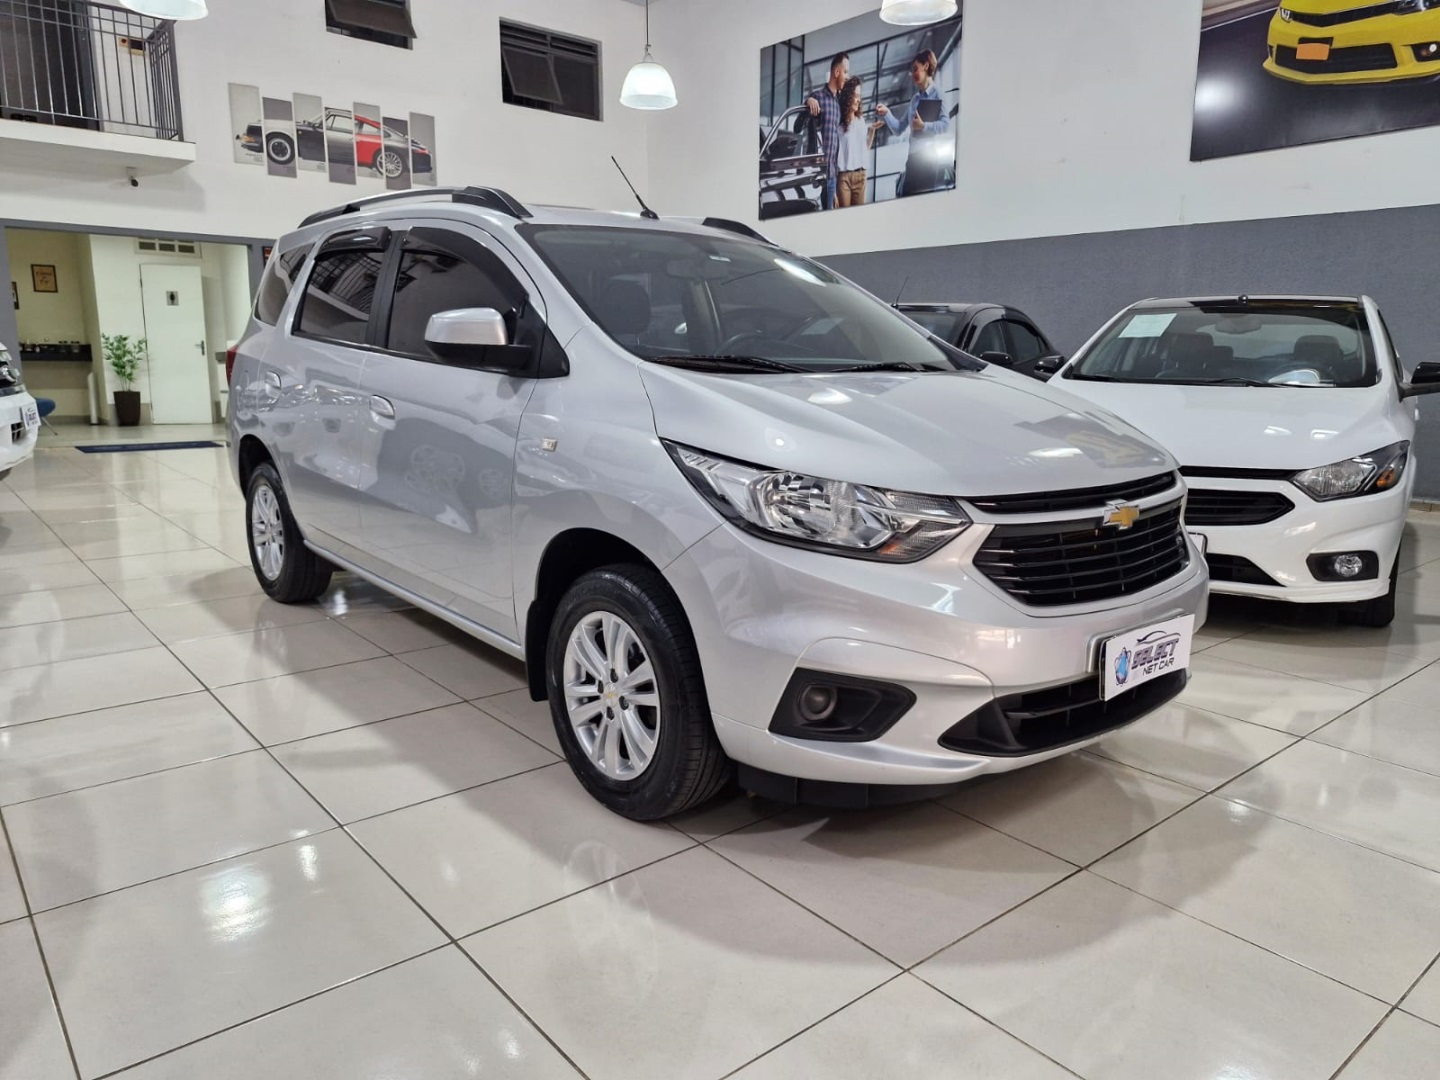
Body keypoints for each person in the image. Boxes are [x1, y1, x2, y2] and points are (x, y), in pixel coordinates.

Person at [875, 49, 950, 197]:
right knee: (907, 199)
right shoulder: (914, 100)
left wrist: (923, 126)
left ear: (926, 66)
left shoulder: (938, 94)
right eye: (912, 70)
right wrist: (887, 113)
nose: (913, 74)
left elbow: (945, 125)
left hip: (928, 160)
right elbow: (898, 129)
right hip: (912, 160)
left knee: (924, 203)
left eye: (916, 69)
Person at [805, 52, 848, 210]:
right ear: (836, 72)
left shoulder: (837, 104)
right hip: (815, 178)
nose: (847, 77)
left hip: (830, 177)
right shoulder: (817, 97)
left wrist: (834, 189)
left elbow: (835, 145)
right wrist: (808, 101)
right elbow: (799, 125)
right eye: (845, 72)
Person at [835, 77, 883, 208]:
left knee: (858, 216)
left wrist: (872, 130)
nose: (858, 100)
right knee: (845, 216)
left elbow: (865, 149)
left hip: (860, 176)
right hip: (843, 178)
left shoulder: (860, 120)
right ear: (848, 97)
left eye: (859, 96)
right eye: (855, 96)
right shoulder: (838, 124)